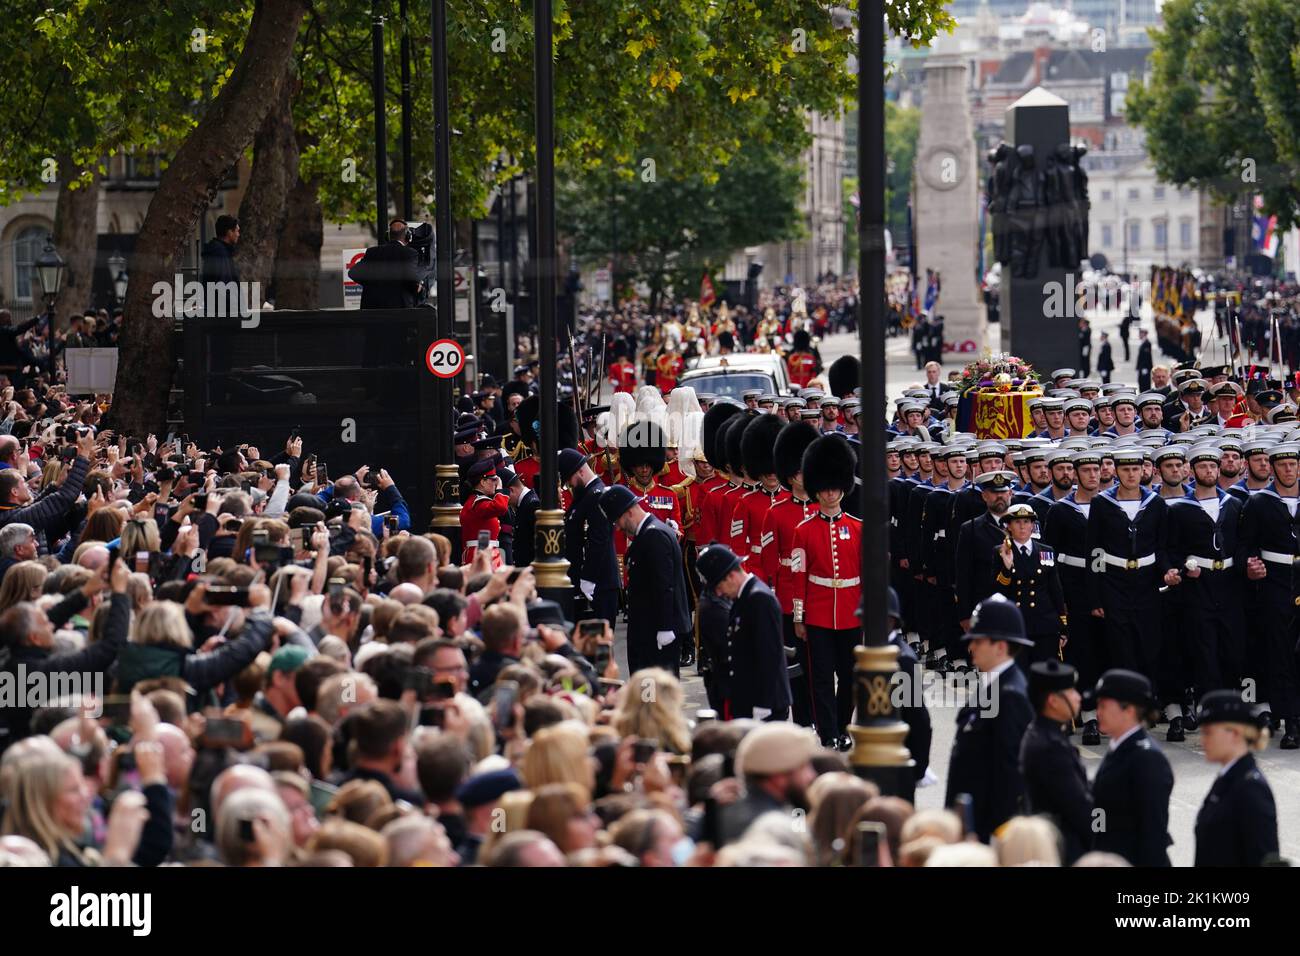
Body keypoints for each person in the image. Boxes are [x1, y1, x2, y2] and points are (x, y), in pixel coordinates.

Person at [943, 595, 1035, 843]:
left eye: (978, 641)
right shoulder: (993, 687)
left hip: (986, 833)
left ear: (1000, 647)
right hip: (970, 823)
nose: (971, 647)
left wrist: (997, 836)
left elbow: (1010, 778)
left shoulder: (1010, 696)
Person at [790, 436, 862, 751]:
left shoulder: (858, 528)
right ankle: (827, 732)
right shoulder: (802, 530)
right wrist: (798, 616)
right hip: (818, 613)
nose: (830, 492)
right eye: (825, 487)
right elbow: (798, 575)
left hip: (851, 612)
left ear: (843, 487)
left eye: (835, 486)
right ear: (818, 489)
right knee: (820, 678)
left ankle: (844, 728)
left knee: (849, 678)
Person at [599, 485, 691, 675]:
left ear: (629, 512)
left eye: (617, 519)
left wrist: (665, 626)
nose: (617, 526)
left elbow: (664, 585)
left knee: (652, 696)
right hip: (650, 629)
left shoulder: (654, 536)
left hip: (655, 631)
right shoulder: (650, 533)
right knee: (647, 696)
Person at [696, 544, 790, 721]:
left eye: (718, 586)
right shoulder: (745, 596)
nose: (719, 592)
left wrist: (763, 704)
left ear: (731, 576)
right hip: (749, 698)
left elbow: (769, 656)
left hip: (762, 703)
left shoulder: (759, 599)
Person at [1090, 668, 1174, 866]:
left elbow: (1152, 831)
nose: (1098, 712)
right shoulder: (1120, 747)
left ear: (1128, 710)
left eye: (1104, 706)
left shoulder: (1147, 759)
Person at [1193, 689, 1279, 867]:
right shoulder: (1228, 777)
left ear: (1235, 733)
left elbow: (1264, 859)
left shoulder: (1251, 788)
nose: (1203, 741)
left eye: (1208, 732)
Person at [1019, 660, 1092, 864]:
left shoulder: (1044, 734)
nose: (1078, 697)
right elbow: (1080, 808)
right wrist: (1104, 834)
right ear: (1053, 700)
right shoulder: (1050, 747)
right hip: (1063, 849)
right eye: (1071, 692)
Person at [717, 722, 821, 847]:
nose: (812, 775)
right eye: (803, 767)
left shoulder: (791, 809)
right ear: (779, 777)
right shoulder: (774, 831)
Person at [992, 503, 1067, 663]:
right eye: (1017, 522)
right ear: (1009, 526)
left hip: (1044, 623)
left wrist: (1062, 624)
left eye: (1027, 522)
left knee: (1044, 676)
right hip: (1015, 624)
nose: (1022, 526)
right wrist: (1006, 568)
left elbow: (1055, 589)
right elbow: (997, 593)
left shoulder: (1046, 551)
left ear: (1033, 525)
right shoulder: (1001, 552)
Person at [560, 449, 620, 626]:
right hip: (589, 581)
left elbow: (598, 540)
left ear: (580, 471)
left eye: (569, 479)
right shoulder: (585, 495)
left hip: (598, 582)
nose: (569, 484)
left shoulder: (596, 495)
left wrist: (589, 578)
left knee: (598, 645)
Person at [348, 219, 423, 309]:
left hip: (372, 310)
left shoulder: (372, 252)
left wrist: (371, 284)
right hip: (399, 311)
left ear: (388, 236)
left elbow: (353, 273)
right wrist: (419, 288)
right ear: (408, 236)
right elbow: (411, 280)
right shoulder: (410, 253)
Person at [201, 214, 241, 286]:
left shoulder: (221, 251)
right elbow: (222, 284)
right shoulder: (219, 252)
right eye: (237, 231)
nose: (238, 234)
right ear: (229, 232)